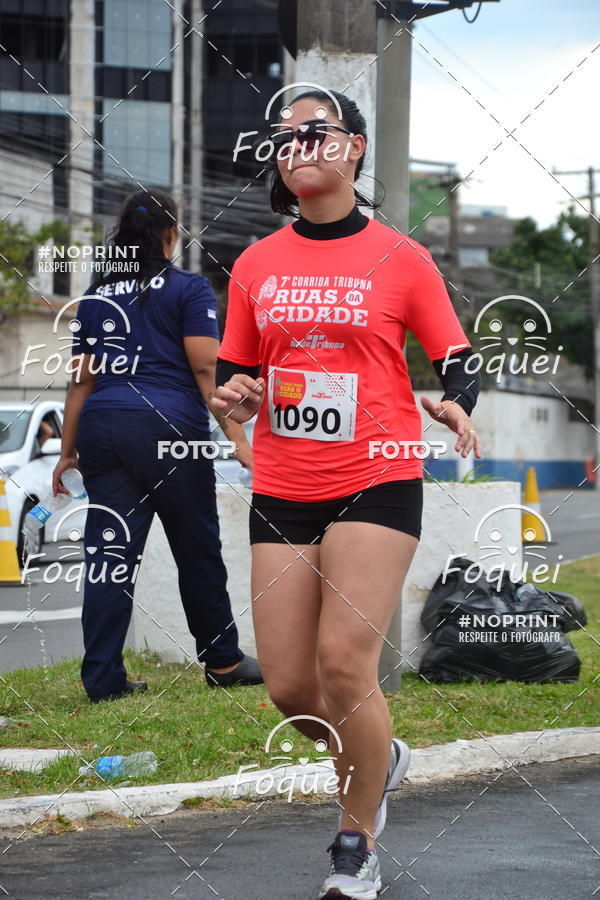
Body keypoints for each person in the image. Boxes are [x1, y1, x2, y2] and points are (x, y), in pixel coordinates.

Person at [212, 91, 482, 899]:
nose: (297, 147)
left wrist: (457, 401)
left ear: (355, 149)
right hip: (285, 484)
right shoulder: (256, 264)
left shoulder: (400, 257)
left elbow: (458, 356)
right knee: (293, 686)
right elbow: (235, 374)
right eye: (283, 137)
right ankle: (380, 762)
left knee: (343, 664)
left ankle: (355, 840)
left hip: (379, 475)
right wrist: (234, 400)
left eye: (315, 132)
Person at [52, 189, 262, 703]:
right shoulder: (188, 289)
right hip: (168, 431)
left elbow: (81, 381)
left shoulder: (98, 295)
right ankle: (223, 660)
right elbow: (207, 369)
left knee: (109, 558)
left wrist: (67, 451)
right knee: (196, 549)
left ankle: (102, 680)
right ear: (172, 233)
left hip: (103, 428)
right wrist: (238, 437)